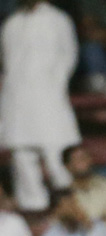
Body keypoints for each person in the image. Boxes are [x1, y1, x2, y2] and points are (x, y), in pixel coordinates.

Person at [0, 0, 79, 212]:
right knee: (22, 158)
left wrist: (55, 84)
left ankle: (69, 206)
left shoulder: (58, 19)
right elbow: (8, 64)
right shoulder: (12, 23)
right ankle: (33, 210)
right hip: (17, 101)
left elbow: (69, 55)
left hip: (49, 98)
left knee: (57, 156)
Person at [63, 145, 106, 224]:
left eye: (85, 158)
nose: (83, 162)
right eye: (77, 159)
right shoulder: (65, 195)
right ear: (68, 166)